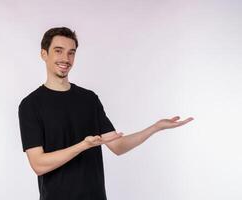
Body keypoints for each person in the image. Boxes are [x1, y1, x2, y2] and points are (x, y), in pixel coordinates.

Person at [18, 27, 194, 200]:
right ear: (44, 54)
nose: (66, 58)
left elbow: (118, 146)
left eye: (71, 53)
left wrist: (155, 128)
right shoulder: (30, 105)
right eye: (59, 51)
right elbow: (38, 164)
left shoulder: (88, 99)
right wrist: (83, 146)